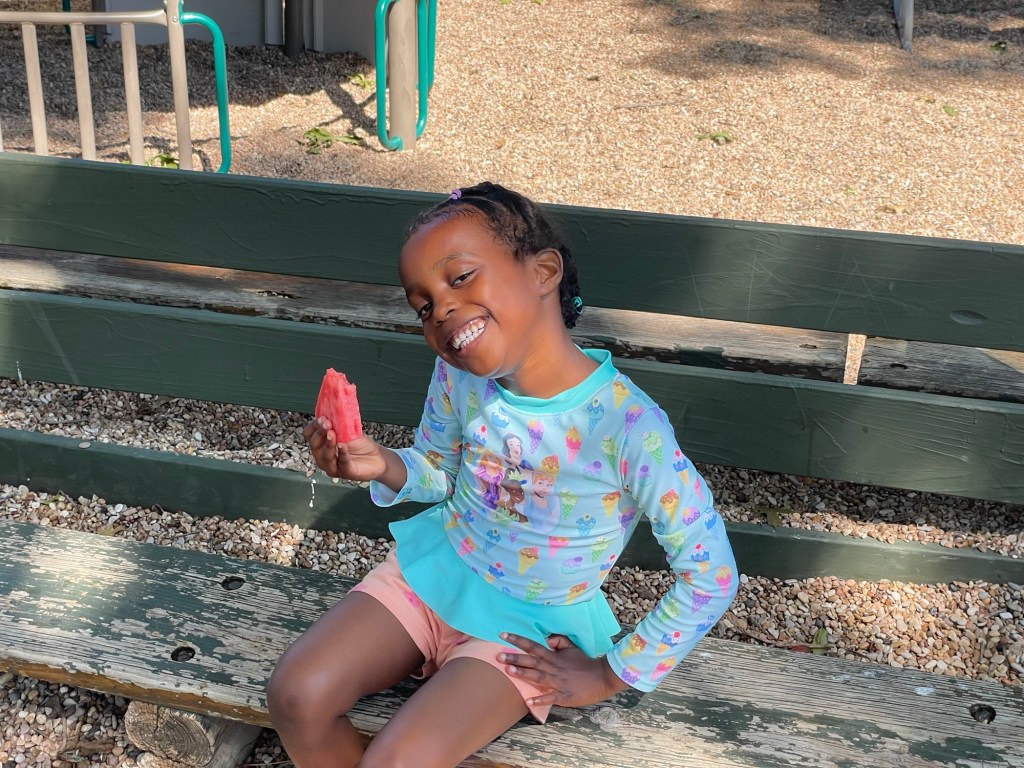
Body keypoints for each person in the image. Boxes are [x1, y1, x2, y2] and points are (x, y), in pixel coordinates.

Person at [266, 183, 738, 768]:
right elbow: (440, 471)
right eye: (423, 306)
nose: (441, 310)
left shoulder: (629, 426)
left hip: (528, 628)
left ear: (543, 272)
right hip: (434, 574)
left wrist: (610, 674)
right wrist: (380, 462)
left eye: (460, 278)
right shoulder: (460, 378)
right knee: (296, 695)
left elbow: (711, 573)